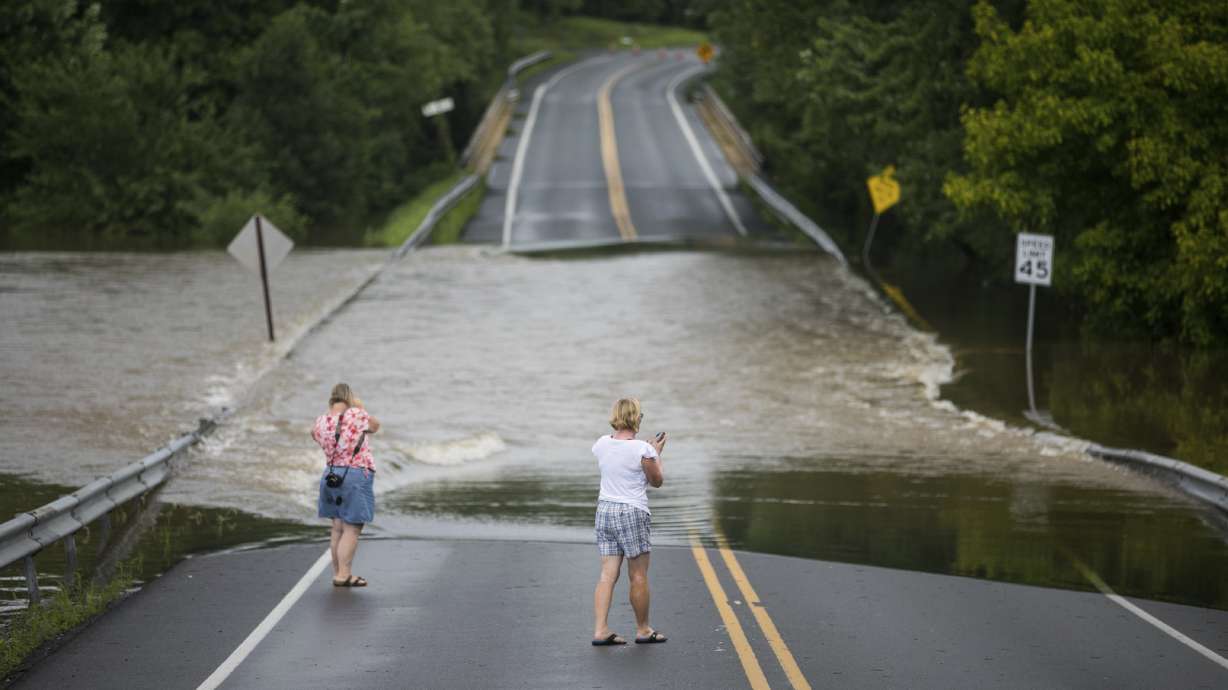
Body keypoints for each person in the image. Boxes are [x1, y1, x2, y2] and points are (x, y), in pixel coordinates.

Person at [591, 397, 668, 646]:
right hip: (631, 512)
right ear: (636, 418)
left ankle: (601, 630)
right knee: (638, 575)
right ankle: (643, 630)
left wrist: (649, 452)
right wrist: (656, 453)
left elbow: (616, 462)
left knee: (606, 575)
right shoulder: (642, 450)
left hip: (605, 510)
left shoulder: (601, 444)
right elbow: (657, 481)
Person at [311, 382, 380, 587]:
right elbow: (375, 426)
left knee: (338, 527)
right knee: (352, 528)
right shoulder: (357, 415)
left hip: (331, 475)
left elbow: (314, 436)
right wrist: (359, 408)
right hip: (355, 475)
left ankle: (338, 572)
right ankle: (344, 575)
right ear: (350, 398)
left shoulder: (321, 421)